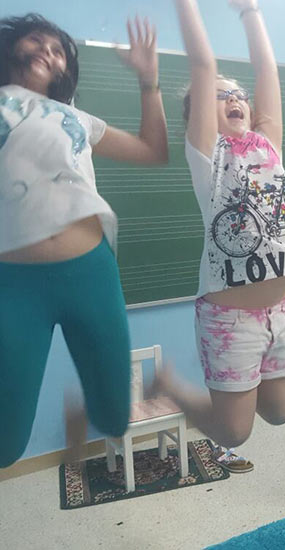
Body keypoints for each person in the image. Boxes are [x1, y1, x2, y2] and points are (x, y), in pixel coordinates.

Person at [0, 13, 168, 467]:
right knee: (5, 446)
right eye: (36, 41)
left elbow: (154, 150)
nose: (47, 52)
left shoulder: (74, 116)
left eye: (57, 50)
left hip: (89, 272)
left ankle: (83, 420)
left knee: (115, 420)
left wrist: (150, 81)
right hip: (13, 285)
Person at [156, 0, 285, 484]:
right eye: (220, 97)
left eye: (238, 94)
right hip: (229, 316)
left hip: (280, 307)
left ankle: (237, 389)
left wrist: (251, 11)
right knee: (233, 433)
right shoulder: (208, 158)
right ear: (201, 116)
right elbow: (202, 66)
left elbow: (267, 71)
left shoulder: (269, 144)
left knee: (282, 413)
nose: (234, 99)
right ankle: (168, 388)